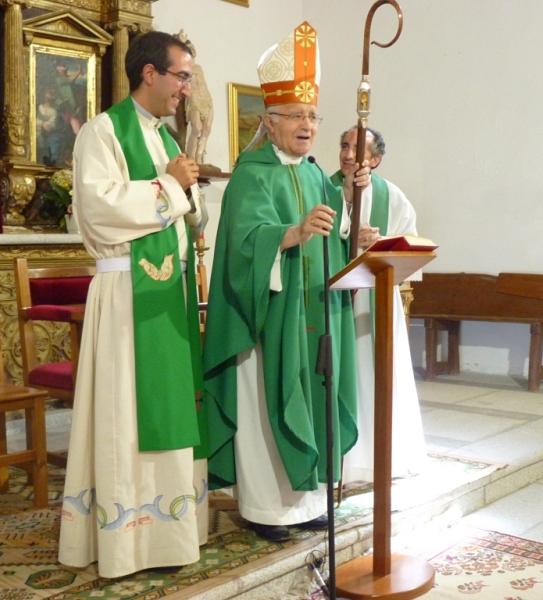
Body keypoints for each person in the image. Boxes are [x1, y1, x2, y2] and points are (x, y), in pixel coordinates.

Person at [202, 22, 369, 543]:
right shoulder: (251, 173)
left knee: (314, 396)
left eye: (312, 115)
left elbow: (333, 243)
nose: (307, 124)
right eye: (296, 115)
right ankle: (268, 509)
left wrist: (352, 220)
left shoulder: (319, 174)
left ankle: (311, 501)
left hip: (313, 313)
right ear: (268, 122)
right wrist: (289, 235)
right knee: (265, 405)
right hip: (268, 318)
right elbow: (241, 245)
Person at [58, 31, 209, 578]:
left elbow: (185, 212)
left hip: (166, 296)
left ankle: (169, 534)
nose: (186, 89)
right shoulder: (103, 132)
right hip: (126, 296)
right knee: (125, 414)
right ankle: (127, 541)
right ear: (150, 73)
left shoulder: (165, 139)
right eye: (181, 76)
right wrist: (169, 188)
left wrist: (188, 198)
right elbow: (98, 210)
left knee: (166, 411)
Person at [332, 126, 427, 484]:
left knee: (377, 374)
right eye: (343, 146)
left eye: (357, 149)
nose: (347, 155)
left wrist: (380, 241)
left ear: (375, 159)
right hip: (335, 300)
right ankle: (342, 458)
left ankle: (380, 456)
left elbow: (412, 243)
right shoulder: (323, 187)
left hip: (375, 302)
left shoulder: (392, 196)